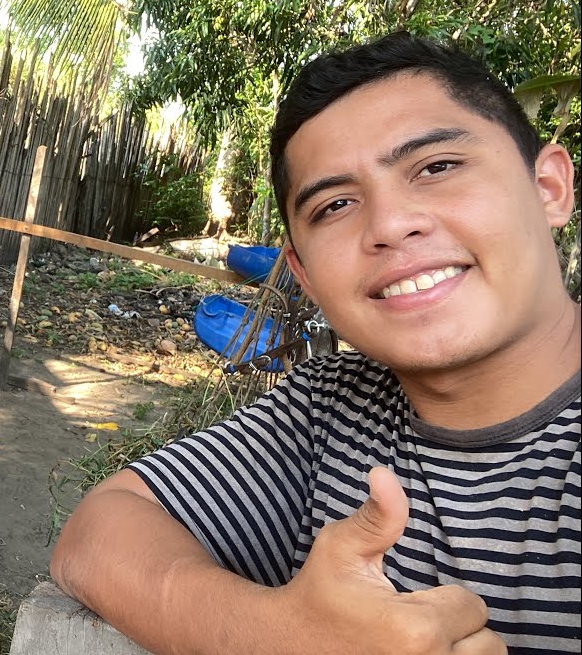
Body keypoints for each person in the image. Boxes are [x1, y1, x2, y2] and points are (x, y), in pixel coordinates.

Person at [50, 32, 580, 655]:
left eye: (436, 168)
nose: (388, 224)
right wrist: (276, 634)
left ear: (549, 187)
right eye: (335, 205)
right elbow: (95, 534)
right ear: (303, 273)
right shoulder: (329, 407)